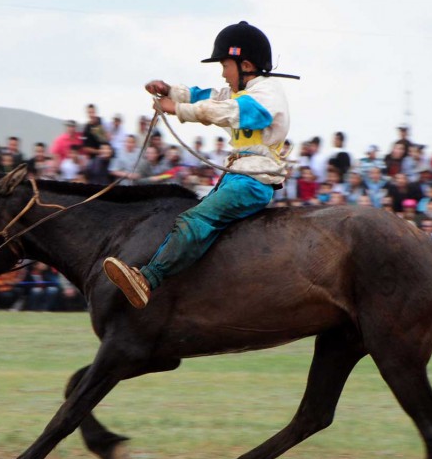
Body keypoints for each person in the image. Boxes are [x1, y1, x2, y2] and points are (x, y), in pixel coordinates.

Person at [103, 21, 298, 308]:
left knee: (194, 221)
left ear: (245, 65)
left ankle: (148, 279)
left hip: (253, 182)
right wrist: (170, 90)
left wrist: (177, 109)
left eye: (225, 66)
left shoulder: (266, 95)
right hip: (238, 177)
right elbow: (204, 96)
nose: (222, 73)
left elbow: (229, 111)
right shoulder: (239, 91)